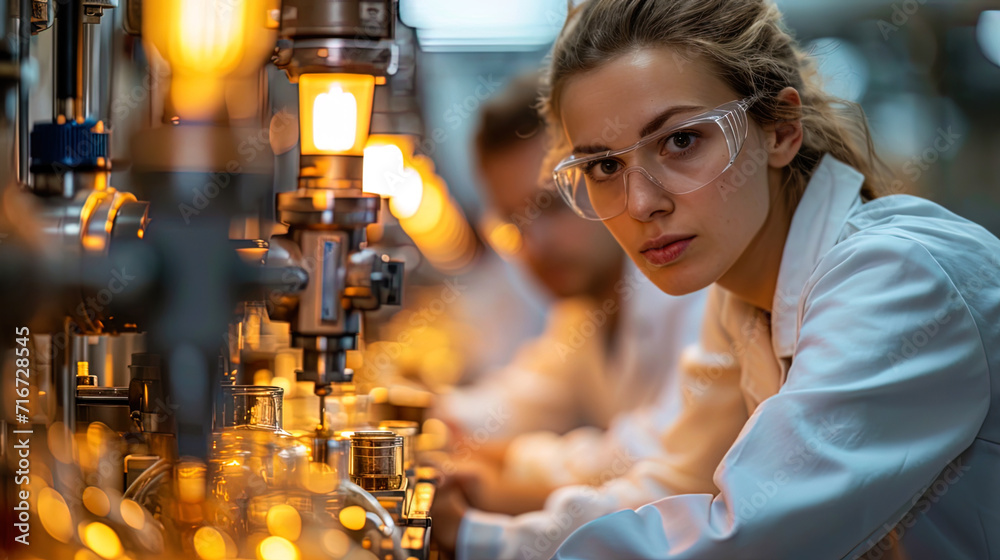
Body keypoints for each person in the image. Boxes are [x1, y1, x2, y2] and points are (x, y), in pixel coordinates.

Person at [457, 0, 998, 558]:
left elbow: (743, 537)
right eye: (604, 167)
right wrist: (482, 523)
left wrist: (480, 539)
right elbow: (677, 482)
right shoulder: (739, 297)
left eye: (682, 140)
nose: (641, 203)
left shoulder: (897, 278)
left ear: (781, 130)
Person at [429, 74, 707, 541]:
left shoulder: (690, 288)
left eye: (552, 206)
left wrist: (507, 471)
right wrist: (428, 416)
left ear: (608, 179)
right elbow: (525, 398)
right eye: (512, 223)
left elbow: (654, 461)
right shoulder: (583, 310)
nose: (533, 245)